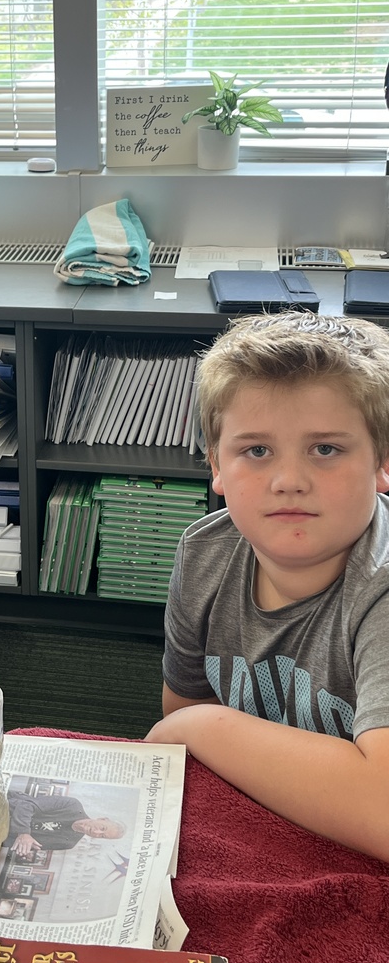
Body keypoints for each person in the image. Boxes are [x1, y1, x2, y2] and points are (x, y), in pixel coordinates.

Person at [145, 311, 389, 862]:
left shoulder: (381, 585)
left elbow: (383, 811)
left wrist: (203, 726)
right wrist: (194, 723)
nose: (288, 481)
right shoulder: (206, 551)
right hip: (259, 822)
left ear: (381, 461)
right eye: (256, 451)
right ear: (217, 466)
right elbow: (182, 708)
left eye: (325, 449)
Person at [5, 791, 126, 855]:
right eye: (102, 828)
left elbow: (18, 844)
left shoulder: (68, 843)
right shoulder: (72, 805)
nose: (95, 832)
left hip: (0, 833)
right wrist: (23, 832)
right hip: (5, 809)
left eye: (102, 835)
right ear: (102, 819)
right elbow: (27, 805)